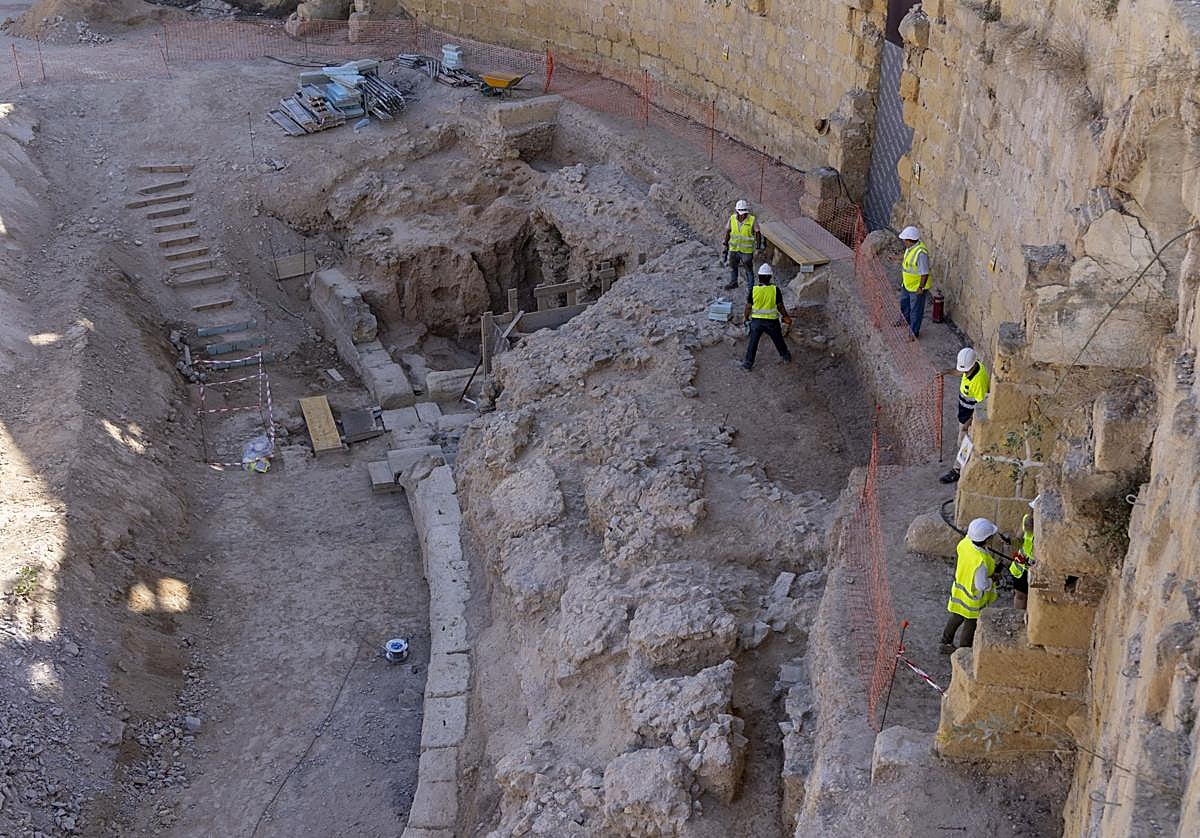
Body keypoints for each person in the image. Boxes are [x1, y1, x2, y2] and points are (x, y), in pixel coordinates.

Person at [940, 517, 1000, 653]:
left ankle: (944, 642)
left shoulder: (965, 543)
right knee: (970, 624)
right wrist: (993, 580)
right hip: (973, 599)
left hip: (960, 590)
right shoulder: (981, 562)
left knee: (956, 616)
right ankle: (963, 653)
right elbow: (982, 585)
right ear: (986, 540)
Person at [940, 346, 990, 483]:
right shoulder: (973, 367)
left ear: (972, 365)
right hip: (963, 413)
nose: (964, 372)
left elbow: (981, 405)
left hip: (968, 417)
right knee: (961, 441)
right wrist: (947, 372)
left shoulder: (978, 381)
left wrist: (969, 423)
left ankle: (957, 471)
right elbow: (961, 371)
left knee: (964, 443)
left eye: (965, 370)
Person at [741, 263, 792, 370]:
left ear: (759, 277)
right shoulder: (775, 290)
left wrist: (745, 318)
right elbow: (780, 306)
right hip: (771, 322)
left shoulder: (754, 290)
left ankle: (748, 364)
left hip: (756, 322)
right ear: (770, 277)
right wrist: (786, 316)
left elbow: (748, 307)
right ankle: (785, 356)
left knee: (753, 342)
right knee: (778, 340)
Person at [898, 225, 931, 338]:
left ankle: (914, 332)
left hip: (917, 288)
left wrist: (920, 287)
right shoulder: (910, 249)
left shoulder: (921, 253)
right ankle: (904, 321)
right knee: (904, 304)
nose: (903, 241)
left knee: (916, 311)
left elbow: (924, 272)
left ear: (909, 240)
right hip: (907, 285)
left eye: (904, 239)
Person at [1008, 496, 1038, 609]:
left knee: (1035, 597)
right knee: (1020, 595)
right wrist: (1010, 541)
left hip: (1035, 570)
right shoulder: (1027, 520)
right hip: (1021, 568)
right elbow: (1018, 540)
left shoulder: (1048, 529)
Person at [723, 199, 759, 290]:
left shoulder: (752, 220)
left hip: (746, 251)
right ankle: (734, 282)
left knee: (749, 270)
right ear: (737, 211)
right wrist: (725, 243)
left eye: (744, 212)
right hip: (734, 248)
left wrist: (758, 247)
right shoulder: (732, 218)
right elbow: (728, 231)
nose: (743, 215)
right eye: (741, 212)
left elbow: (758, 233)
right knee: (733, 266)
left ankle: (751, 289)